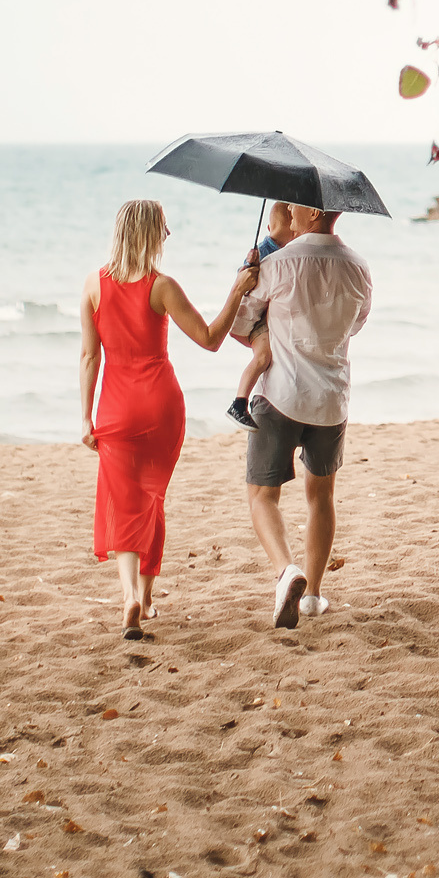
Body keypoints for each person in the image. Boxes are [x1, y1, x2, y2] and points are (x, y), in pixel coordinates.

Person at [80, 199, 256, 639]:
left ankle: (129, 597)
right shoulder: (161, 287)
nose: (169, 234)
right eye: (163, 227)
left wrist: (85, 418)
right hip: (161, 406)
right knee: (151, 499)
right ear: (147, 233)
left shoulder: (93, 285)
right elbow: (210, 339)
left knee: (124, 502)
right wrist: (237, 291)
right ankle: (146, 597)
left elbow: (89, 356)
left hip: (115, 408)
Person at [242, 202, 371, 628]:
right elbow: (355, 325)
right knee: (321, 497)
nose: (287, 209)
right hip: (330, 400)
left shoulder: (278, 263)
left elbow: (242, 323)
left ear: (314, 212)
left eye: (295, 203)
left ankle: (286, 570)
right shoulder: (359, 267)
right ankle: (313, 595)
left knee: (262, 495)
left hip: (280, 394)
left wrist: (248, 280)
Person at [226, 202, 300, 430]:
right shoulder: (270, 253)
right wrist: (249, 265)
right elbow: (244, 278)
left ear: (269, 227)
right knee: (263, 357)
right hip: (256, 321)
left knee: (271, 356)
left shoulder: (266, 248)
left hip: (260, 317)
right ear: (294, 230)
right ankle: (239, 402)